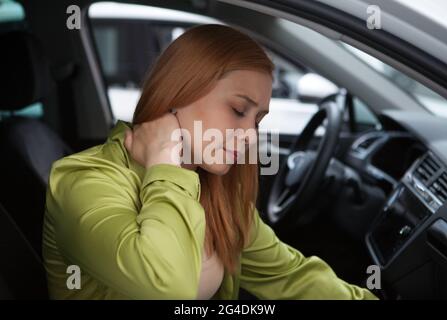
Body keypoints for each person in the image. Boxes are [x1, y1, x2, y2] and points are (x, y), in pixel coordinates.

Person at [42, 24, 378, 300]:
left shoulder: (215, 188)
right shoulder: (82, 182)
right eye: (237, 110)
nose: (250, 137)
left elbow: (292, 277)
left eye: (257, 121)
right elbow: (167, 288)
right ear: (178, 93)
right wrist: (165, 164)